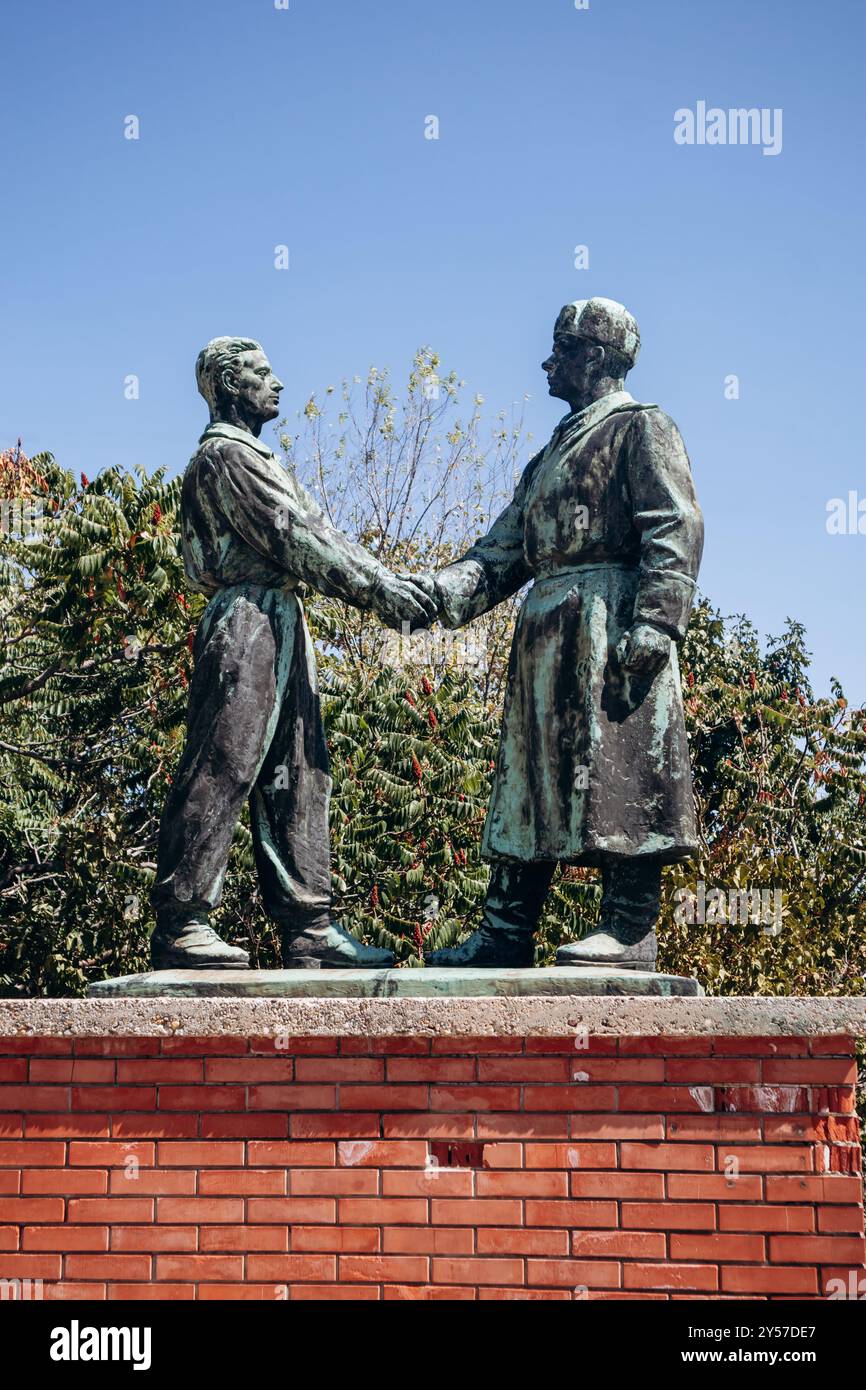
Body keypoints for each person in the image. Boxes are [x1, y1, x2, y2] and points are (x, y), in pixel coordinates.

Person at [417, 298, 704, 970]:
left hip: (609, 622)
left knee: (620, 775)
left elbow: (674, 526)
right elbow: (499, 554)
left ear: (595, 357)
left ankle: (630, 929)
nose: (548, 361)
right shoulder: (549, 454)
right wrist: (429, 594)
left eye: (562, 348)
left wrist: (657, 623)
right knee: (527, 783)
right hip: (546, 634)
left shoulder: (641, 427)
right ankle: (505, 930)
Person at [150, 337, 436, 969]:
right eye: (261, 373)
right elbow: (296, 537)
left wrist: (388, 582)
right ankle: (182, 918)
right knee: (224, 761)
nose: (276, 383)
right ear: (229, 386)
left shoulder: (260, 456)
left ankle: (309, 927)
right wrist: (382, 594)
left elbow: (324, 534)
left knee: (302, 770)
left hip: (282, 615)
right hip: (246, 616)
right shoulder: (225, 456)